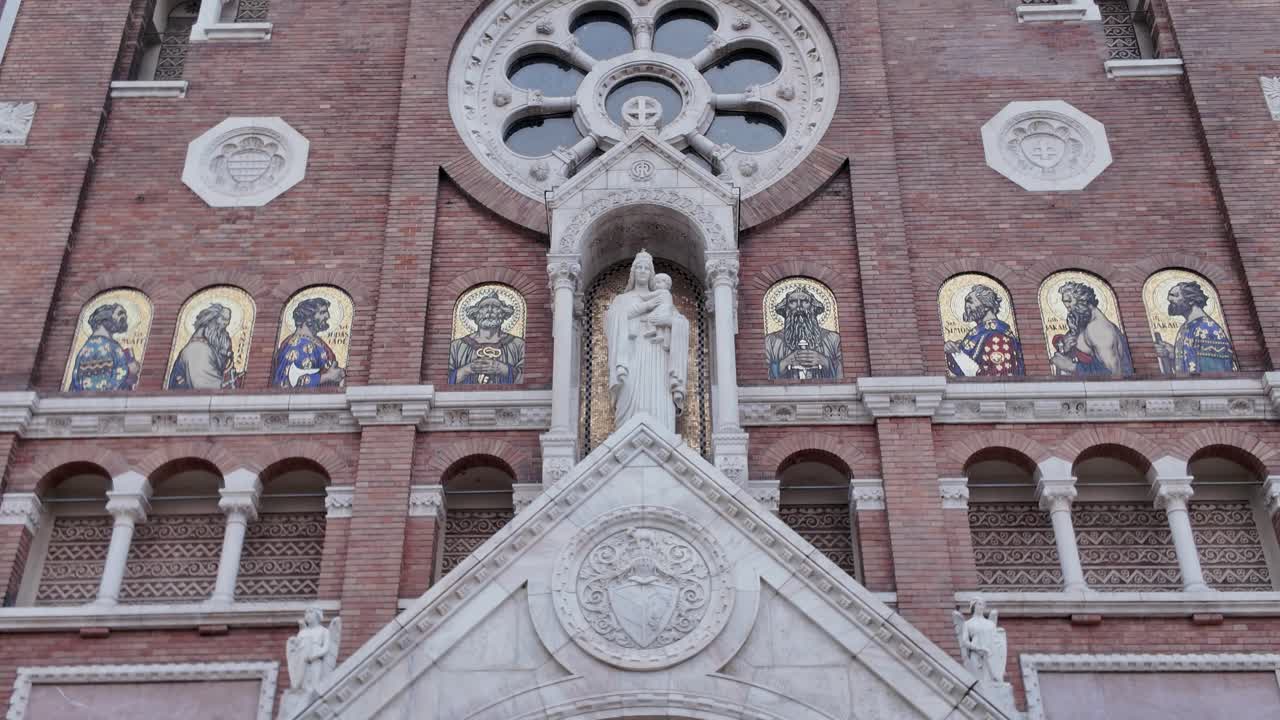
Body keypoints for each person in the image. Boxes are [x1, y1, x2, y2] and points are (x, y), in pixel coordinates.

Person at [605, 252, 690, 433]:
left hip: (657, 354)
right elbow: (612, 321)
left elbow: (679, 323)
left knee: (658, 395)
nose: (643, 271)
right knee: (628, 389)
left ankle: (663, 434)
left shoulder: (663, 297)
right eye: (639, 267)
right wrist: (644, 308)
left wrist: (668, 322)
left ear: (651, 274)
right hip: (630, 353)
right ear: (633, 272)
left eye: (647, 268)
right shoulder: (622, 300)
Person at [1048, 281, 1133, 377]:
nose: (1067, 307)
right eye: (1065, 302)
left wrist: (1072, 367)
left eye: (1069, 301)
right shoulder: (1085, 322)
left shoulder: (1098, 329)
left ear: (1083, 299)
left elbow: (1116, 374)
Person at [1154, 280, 1236, 374]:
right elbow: (1189, 367)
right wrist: (1173, 355)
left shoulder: (1207, 329)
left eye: (1175, 296)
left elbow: (1214, 374)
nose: (1169, 299)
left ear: (1191, 300)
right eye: (1170, 295)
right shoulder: (1186, 327)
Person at [944, 285, 1024, 377]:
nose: (966, 307)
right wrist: (953, 351)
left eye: (970, 302)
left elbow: (998, 376)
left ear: (986, 306)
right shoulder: (979, 334)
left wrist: (958, 355)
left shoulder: (998, 337)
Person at [764, 287, 842, 380]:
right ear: (785, 309)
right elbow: (759, 373)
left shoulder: (832, 338)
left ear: (813, 307)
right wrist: (782, 364)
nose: (799, 307)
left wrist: (825, 362)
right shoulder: (771, 341)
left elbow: (846, 368)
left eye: (805, 302)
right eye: (793, 302)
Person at [449, 291, 526, 384]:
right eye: (484, 307)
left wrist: (503, 369)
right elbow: (445, 379)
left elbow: (528, 379)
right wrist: (468, 369)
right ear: (475, 314)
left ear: (503, 314)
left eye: (496, 307)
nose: (489, 310)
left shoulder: (518, 345)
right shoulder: (457, 346)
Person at [272, 298, 346, 388]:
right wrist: (328, 377)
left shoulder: (316, 342)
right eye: (322, 312)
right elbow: (290, 382)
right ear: (308, 317)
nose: (328, 316)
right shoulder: (298, 345)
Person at [69, 303, 140, 391]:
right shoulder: (97, 347)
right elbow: (96, 387)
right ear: (104, 318)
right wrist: (129, 369)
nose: (123, 318)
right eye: (120, 313)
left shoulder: (108, 345)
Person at [168, 303, 241, 389]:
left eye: (228, 320)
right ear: (211, 320)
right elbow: (206, 387)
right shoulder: (198, 349)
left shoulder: (213, 346)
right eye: (223, 319)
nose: (226, 324)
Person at [631, 272, 675, 351]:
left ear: (666, 284)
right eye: (655, 284)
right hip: (667, 311)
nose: (656, 286)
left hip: (661, 310)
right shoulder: (669, 295)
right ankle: (665, 342)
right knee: (666, 328)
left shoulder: (661, 291)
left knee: (650, 318)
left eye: (658, 283)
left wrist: (641, 296)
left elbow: (649, 296)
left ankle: (653, 330)